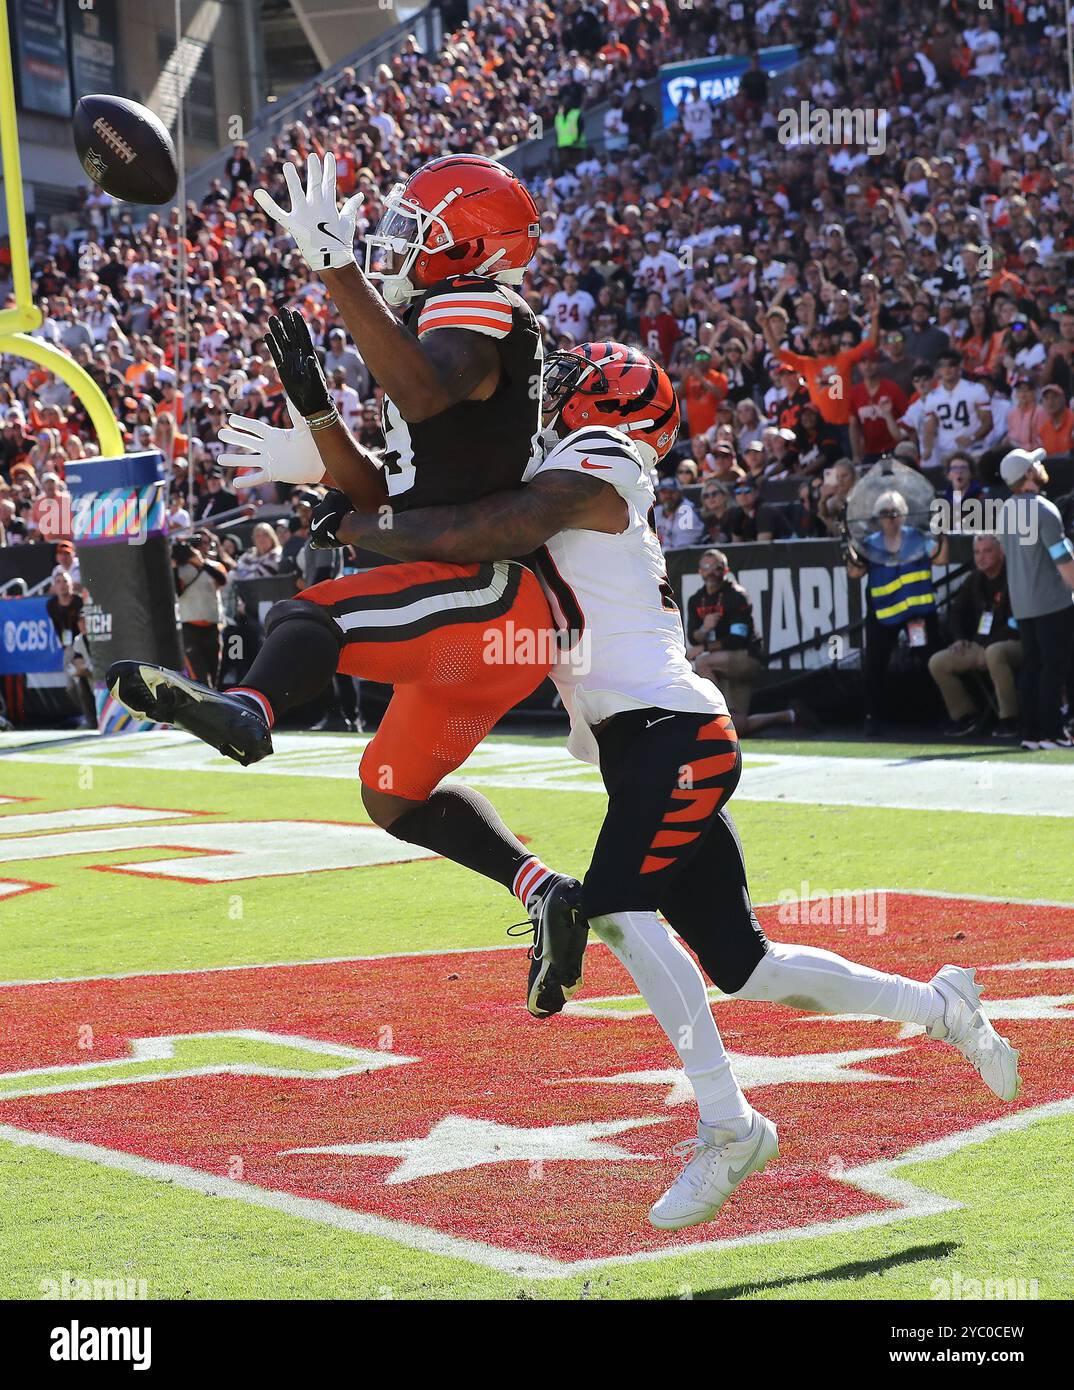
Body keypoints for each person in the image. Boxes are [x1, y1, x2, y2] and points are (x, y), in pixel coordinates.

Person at [295, 342, 1020, 1231]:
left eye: (571, 388)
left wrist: (362, 533)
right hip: (642, 749)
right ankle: (941, 1007)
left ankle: (730, 1123)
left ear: (611, 408)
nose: (552, 398)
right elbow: (443, 503)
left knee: (616, 910)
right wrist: (330, 441)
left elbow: (497, 527)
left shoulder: (603, 468)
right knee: (748, 968)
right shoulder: (564, 466)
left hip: (673, 737)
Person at [109, 154, 581, 1012]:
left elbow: (430, 396)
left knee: (311, 613)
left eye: (419, 230)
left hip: (493, 592)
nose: (399, 241)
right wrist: (318, 426)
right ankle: (545, 891)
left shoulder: (483, 309)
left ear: (464, 245)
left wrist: (336, 268)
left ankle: (249, 710)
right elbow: (391, 493)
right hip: (476, 623)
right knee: (393, 793)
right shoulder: (441, 325)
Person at [846, 489, 948, 735]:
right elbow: (855, 573)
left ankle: (944, 714)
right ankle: (872, 717)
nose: (890, 517)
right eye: (884, 513)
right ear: (877, 517)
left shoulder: (918, 538)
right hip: (883, 614)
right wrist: (848, 546)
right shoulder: (870, 544)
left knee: (932, 661)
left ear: (903, 514)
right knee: (874, 666)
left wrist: (942, 533)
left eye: (894, 512)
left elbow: (941, 560)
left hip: (918, 613)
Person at [994, 448, 1074, 750]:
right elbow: (1061, 557)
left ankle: (1031, 733)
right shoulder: (1043, 509)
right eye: (1034, 464)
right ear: (1027, 474)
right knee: (1054, 668)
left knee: (1032, 667)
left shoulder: (1004, 512)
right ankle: (1052, 732)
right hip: (1053, 601)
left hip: (1024, 603)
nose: (1040, 466)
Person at [686, 549, 814, 736]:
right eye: (706, 567)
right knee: (734, 728)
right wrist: (704, 630)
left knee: (702, 661)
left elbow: (738, 639)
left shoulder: (737, 595)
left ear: (725, 570)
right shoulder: (696, 600)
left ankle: (714, 712)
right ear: (699, 571)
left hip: (746, 658)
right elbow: (692, 636)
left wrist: (703, 647)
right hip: (720, 663)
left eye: (716, 567)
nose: (711, 572)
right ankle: (790, 715)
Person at [927, 534, 1020, 739]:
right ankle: (965, 716)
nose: (981, 558)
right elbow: (956, 613)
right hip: (981, 645)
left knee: (994, 653)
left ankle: (1009, 718)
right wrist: (959, 638)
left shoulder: (1014, 577)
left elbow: (1016, 622)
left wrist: (985, 647)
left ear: (1001, 553)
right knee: (938, 662)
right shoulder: (974, 579)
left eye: (987, 551)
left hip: (1015, 642)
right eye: (977, 552)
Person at [654, 476, 703, 550]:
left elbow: (680, 550)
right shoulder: (656, 511)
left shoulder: (688, 515)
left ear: (680, 494)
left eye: (671, 492)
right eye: (663, 492)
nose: (667, 496)